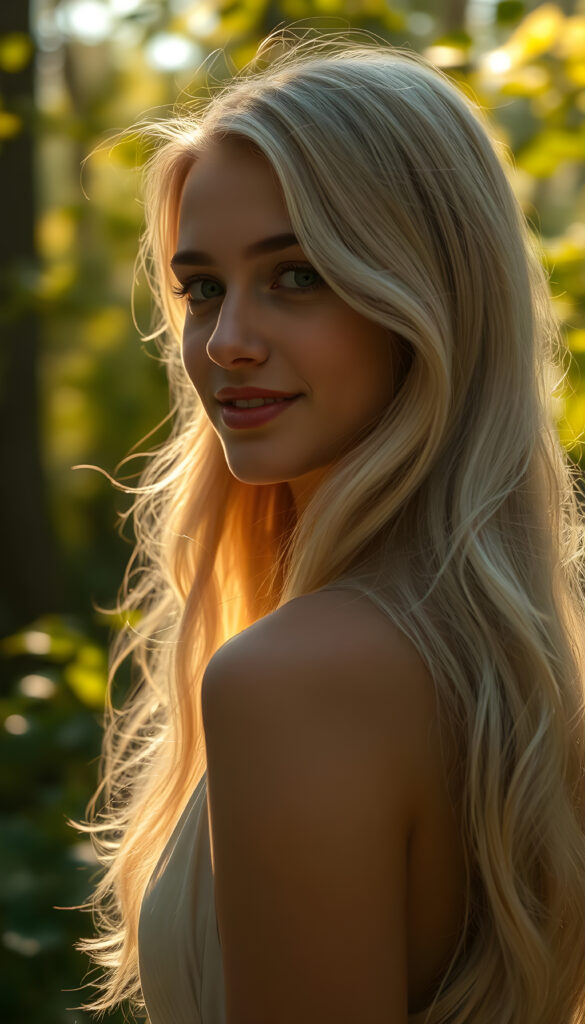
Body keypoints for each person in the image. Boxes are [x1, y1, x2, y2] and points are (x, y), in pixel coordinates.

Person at [73, 26, 585, 1024]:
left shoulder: (293, 678)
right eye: (202, 288)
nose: (225, 343)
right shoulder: (512, 661)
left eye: (296, 274)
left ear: (428, 297)